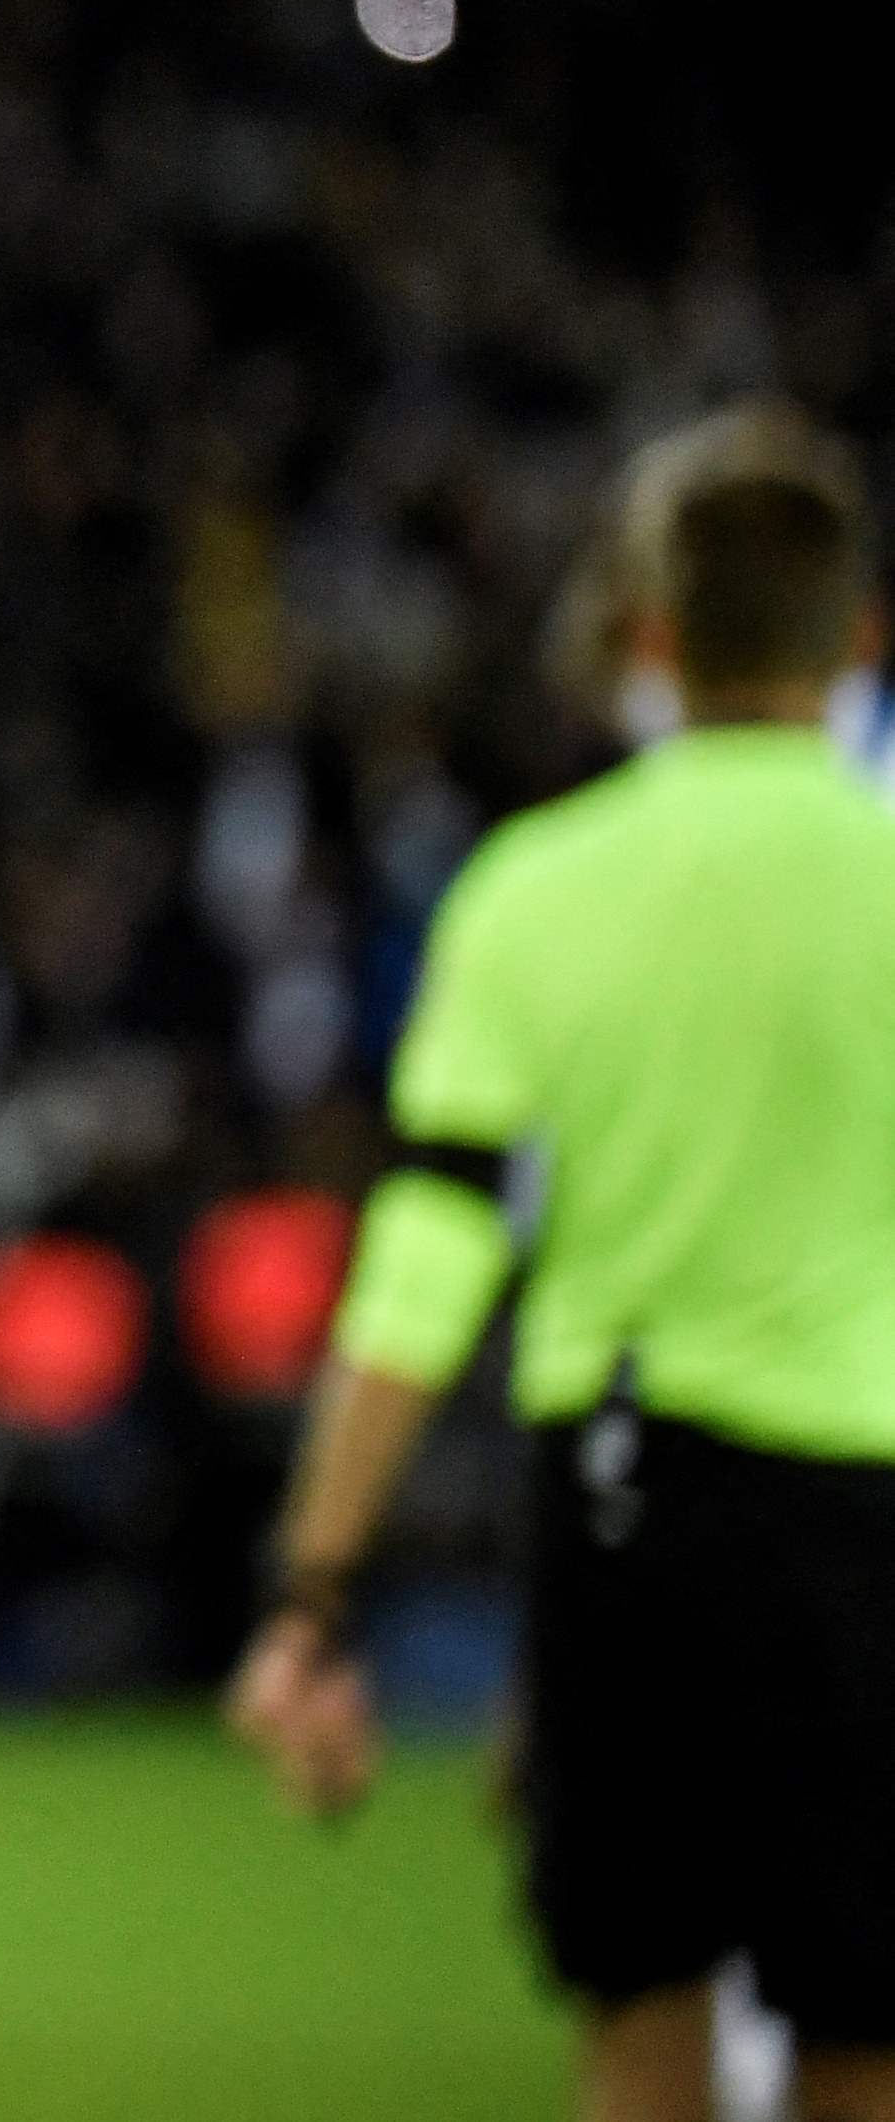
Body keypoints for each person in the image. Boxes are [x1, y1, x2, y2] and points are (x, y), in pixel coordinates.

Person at [230, 409, 895, 2122]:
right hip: (875, 1521)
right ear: (860, 636)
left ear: (648, 635)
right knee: (865, 2038)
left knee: (642, 2030)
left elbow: (428, 1264)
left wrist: (316, 1589)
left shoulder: (537, 893)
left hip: (636, 1510)